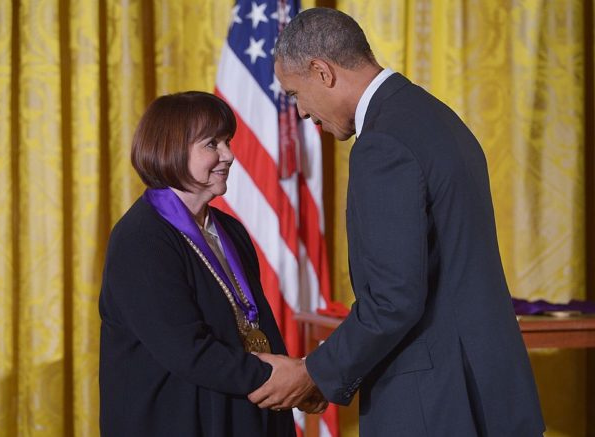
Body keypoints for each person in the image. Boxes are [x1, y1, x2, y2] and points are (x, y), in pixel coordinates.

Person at [248, 8, 545, 436]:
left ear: (322, 72)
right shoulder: (434, 116)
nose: (302, 113)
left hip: (437, 404)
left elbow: (393, 299)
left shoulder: (382, 143)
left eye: (295, 94)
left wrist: (313, 372)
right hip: (487, 392)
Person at [99, 91, 300, 436]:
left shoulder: (230, 230)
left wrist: (293, 386)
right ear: (171, 149)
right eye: (212, 144)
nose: (229, 155)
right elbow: (186, 351)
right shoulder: (140, 239)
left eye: (227, 142)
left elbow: (258, 324)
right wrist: (281, 380)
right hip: (175, 420)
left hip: (237, 412)